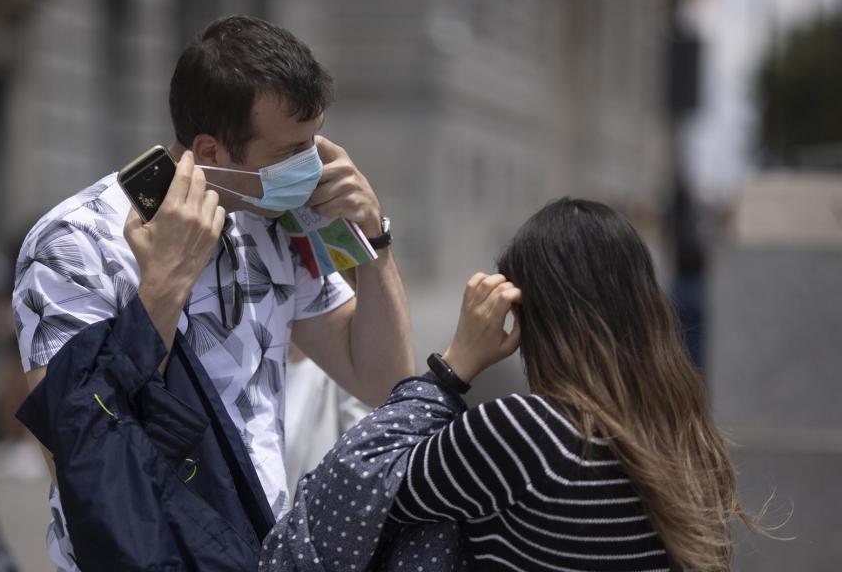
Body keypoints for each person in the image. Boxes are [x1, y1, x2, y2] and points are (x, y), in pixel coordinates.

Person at [11, 15, 413, 570]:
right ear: (211, 149)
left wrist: (375, 243)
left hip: (262, 552)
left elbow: (383, 379)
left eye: (313, 143)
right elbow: (79, 449)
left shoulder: (279, 219)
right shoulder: (71, 242)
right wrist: (165, 285)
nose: (311, 167)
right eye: (288, 152)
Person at [265, 198, 761, 572]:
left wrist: (452, 367)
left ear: (526, 313)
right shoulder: (692, 442)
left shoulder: (529, 433)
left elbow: (353, 486)